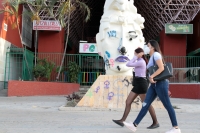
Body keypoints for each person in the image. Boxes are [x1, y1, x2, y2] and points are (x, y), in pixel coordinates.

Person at [123, 40, 181, 133]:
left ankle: (176, 128)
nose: (146, 47)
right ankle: (134, 125)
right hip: (154, 84)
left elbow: (161, 67)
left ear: (152, 47)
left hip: (161, 83)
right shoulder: (152, 57)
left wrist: (152, 76)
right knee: (145, 104)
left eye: (148, 45)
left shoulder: (156, 55)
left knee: (167, 105)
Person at [112, 47, 159, 129]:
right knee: (128, 102)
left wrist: (135, 57)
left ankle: (155, 122)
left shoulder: (141, 62)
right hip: (138, 84)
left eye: (135, 53)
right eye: (134, 54)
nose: (134, 55)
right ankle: (122, 120)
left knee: (146, 104)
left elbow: (128, 64)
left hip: (141, 84)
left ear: (139, 54)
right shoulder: (139, 61)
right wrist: (136, 57)